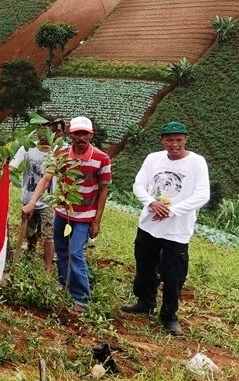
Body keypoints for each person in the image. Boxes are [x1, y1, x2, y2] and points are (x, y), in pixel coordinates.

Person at [122, 121, 210, 335]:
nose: (174, 144)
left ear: (185, 139)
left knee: (173, 276)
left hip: (177, 231)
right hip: (149, 226)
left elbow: (202, 195)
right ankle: (145, 302)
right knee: (144, 266)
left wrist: (171, 211)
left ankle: (169, 315)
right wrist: (152, 203)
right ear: (162, 140)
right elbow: (138, 185)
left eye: (178, 140)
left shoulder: (197, 162)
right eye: (169, 140)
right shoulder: (153, 159)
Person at [23, 116, 111, 312]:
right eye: (77, 133)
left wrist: (97, 221)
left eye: (84, 133)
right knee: (62, 249)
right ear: (71, 135)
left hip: (85, 216)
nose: (81, 137)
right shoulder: (61, 154)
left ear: (91, 135)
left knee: (75, 252)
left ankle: (81, 298)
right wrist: (32, 202)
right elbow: (46, 179)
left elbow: (104, 190)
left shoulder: (102, 158)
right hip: (63, 212)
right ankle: (64, 284)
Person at [12, 121, 60, 271]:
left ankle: (48, 267)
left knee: (48, 234)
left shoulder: (57, 153)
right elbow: (13, 167)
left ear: (54, 133)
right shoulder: (27, 148)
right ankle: (30, 254)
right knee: (29, 230)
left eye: (46, 132)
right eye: (40, 131)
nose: (42, 135)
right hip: (28, 197)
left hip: (48, 201)